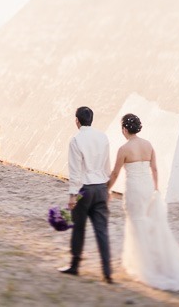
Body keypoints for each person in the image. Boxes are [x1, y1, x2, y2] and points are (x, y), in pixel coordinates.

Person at [107, 113, 179, 291]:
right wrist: (155, 189)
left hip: (135, 189)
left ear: (124, 129)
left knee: (136, 223)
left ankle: (144, 265)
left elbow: (115, 173)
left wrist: (107, 188)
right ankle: (154, 261)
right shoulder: (148, 145)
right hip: (147, 187)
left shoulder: (124, 149)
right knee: (148, 223)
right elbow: (154, 169)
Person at [58, 106, 113, 283]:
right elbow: (107, 165)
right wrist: (107, 188)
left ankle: (75, 265)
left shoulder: (76, 140)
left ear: (77, 120)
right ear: (92, 119)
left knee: (79, 227)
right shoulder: (102, 137)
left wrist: (72, 195)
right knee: (102, 230)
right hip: (101, 187)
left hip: (84, 189)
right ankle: (107, 270)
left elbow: (75, 170)